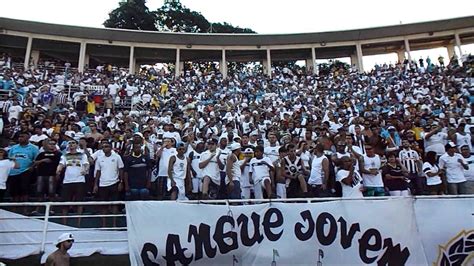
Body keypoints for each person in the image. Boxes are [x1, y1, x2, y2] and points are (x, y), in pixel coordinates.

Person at [56, 139, 89, 226]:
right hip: (67, 181)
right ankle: (64, 224)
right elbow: (61, 164)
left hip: (79, 180)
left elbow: (86, 164)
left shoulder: (82, 155)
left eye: (73, 143)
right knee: (65, 203)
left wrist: (85, 169)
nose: (71, 144)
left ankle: (78, 223)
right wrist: (58, 170)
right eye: (69, 143)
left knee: (79, 203)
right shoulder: (65, 156)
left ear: (77, 145)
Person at [93, 141, 124, 227]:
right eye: (103, 147)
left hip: (114, 182)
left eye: (106, 146)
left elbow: (121, 170)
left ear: (110, 148)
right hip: (102, 184)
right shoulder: (99, 158)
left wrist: (121, 182)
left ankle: (114, 225)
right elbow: (98, 172)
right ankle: (104, 225)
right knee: (103, 206)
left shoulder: (117, 157)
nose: (104, 148)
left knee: (114, 205)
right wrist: (96, 184)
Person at [8, 132, 39, 202]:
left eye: (22, 136)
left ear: (28, 138)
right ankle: (14, 208)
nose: (20, 138)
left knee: (24, 190)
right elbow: (9, 158)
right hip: (13, 172)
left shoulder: (33, 148)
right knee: (14, 191)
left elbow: (37, 160)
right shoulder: (13, 148)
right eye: (19, 137)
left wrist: (32, 167)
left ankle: (24, 208)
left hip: (25, 171)